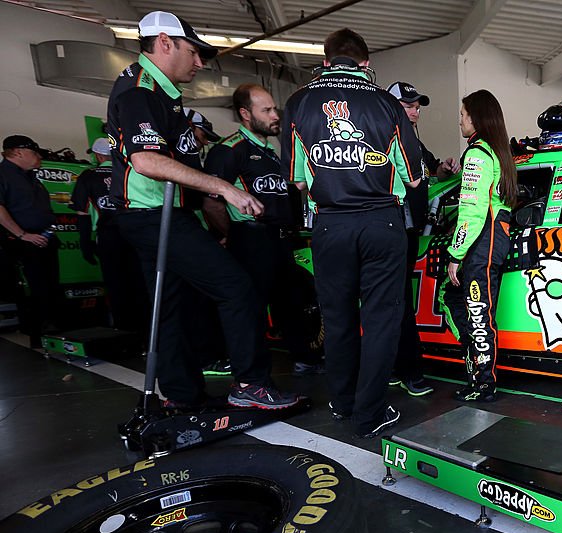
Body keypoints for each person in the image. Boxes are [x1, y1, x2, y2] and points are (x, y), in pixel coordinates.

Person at [107, 10, 299, 410]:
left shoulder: (162, 94)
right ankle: (250, 385)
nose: (199, 62)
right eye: (193, 52)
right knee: (236, 287)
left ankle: (182, 396)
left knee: (172, 306)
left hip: (162, 216)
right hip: (151, 217)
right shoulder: (140, 91)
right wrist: (223, 189)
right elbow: (147, 161)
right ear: (165, 43)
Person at [281, 28, 423, 438]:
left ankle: (343, 404)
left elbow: (299, 183)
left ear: (325, 62)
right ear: (366, 64)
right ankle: (370, 413)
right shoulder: (386, 103)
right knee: (381, 320)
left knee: (338, 317)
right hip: (382, 221)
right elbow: (414, 180)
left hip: (330, 223)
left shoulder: (298, 103)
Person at [203, 83, 324, 376]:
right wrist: (233, 235)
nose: (274, 115)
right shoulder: (229, 150)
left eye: (274, 109)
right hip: (251, 239)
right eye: (266, 110)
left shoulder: (271, 151)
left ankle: (304, 359)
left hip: (281, 239)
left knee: (291, 303)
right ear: (245, 113)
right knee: (250, 308)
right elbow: (211, 202)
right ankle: (249, 372)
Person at [385, 80, 460, 397]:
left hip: (411, 231)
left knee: (396, 302)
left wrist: (444, 167)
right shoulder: (384, 139)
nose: (416, 110)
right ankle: (409, 372)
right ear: (392, 108)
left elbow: (435, 172)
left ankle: (393, 367)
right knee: (397, 303)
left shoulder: (413, 141)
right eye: (409, 105)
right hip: (392, 231)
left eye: (417, 106)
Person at [441, 90, 517, 402]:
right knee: (466, 305)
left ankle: (484, 385)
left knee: (478, 313)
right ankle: (478, 376)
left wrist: (455, 254)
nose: (459, 120)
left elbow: (470, 212)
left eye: (462, 114)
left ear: (477, 117)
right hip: (495, 237)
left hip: (481, 241)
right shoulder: (498, 152)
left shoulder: (477, 154)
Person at [71, 136, 147, 331]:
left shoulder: (88, 176)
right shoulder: (131, 172)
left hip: (109, 236)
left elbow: (82, 213)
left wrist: (85, 242)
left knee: (116, 284)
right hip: (137, 233)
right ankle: (146, 330)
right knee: (139, 281)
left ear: (97, 155)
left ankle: (124, 330)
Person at [0, 135, 58, 347]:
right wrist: (22, 235)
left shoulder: (30, 177)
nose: (38, 157)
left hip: (44, 238)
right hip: (23, 241)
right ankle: (38, 333)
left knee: (50, 287)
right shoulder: (4, 174)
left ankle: (51, 329)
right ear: (17, 152)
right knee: (35, 288)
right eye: (34, 152)